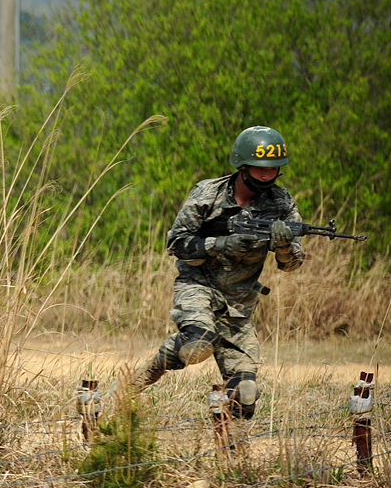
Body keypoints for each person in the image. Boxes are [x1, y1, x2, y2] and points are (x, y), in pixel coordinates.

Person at [130, 126, 305, 418]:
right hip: (197, 286)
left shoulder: (282, 203)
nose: (265, 175)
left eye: (272, 169)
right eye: (259, 168)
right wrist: (222, 243)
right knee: (197, 344)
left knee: (245, 394)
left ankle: (230, 453)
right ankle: (137, 379)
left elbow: (291, 264)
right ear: (242, 164)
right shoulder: (208, 193)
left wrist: (284, 244)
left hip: (238, 303)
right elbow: (177, 243)